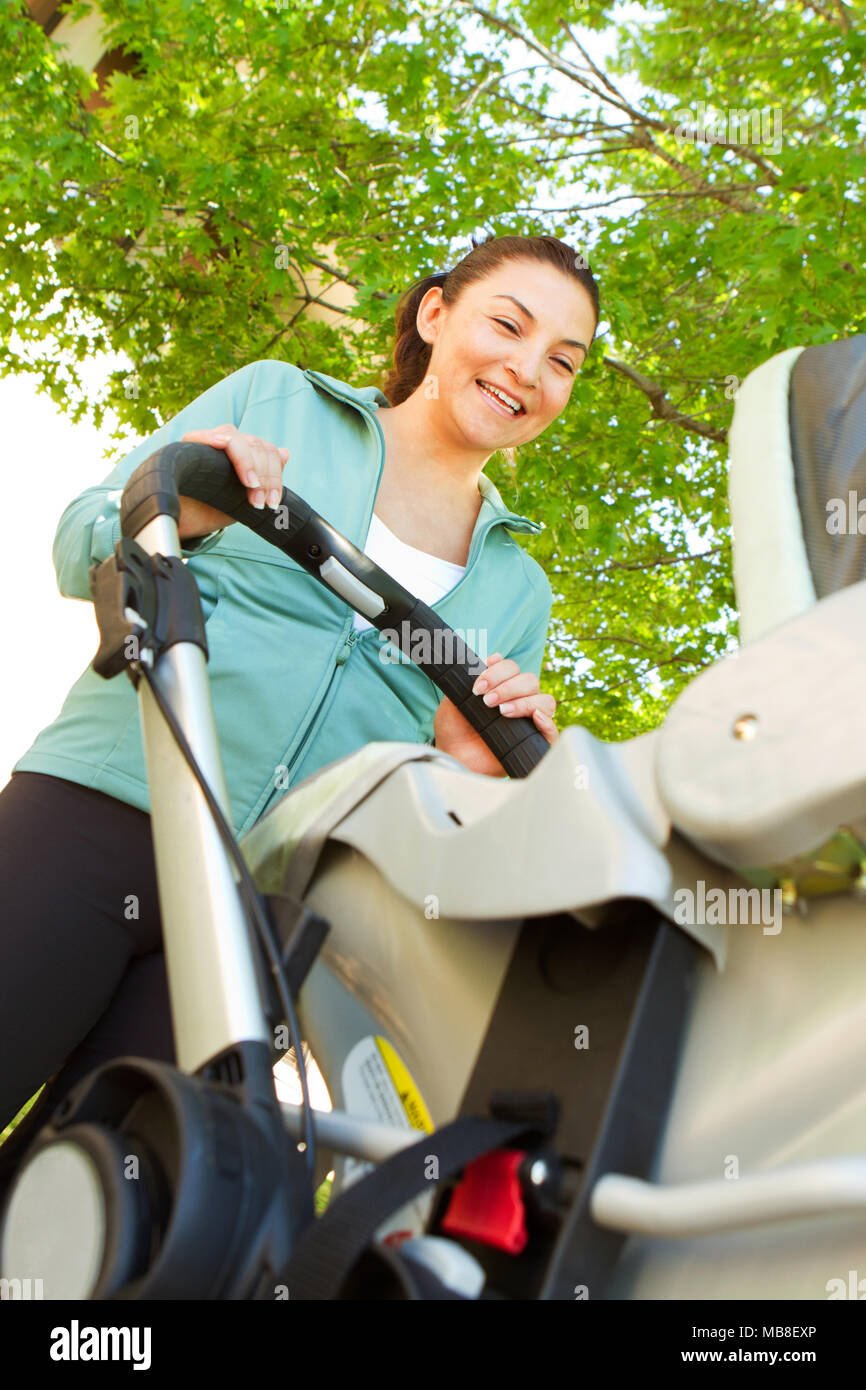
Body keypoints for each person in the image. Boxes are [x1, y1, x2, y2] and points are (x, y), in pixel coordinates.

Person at [0, 232, 600, 1185]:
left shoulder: (517, 590)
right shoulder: (279, 402)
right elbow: (84, 537)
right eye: (508, 326)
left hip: (263, 913)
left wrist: (467, 777)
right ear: (435, 315)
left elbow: (438, 830)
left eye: (563, 363)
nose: (527, 370)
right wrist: (182, 509)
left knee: (102, 1206)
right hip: (104, 810)